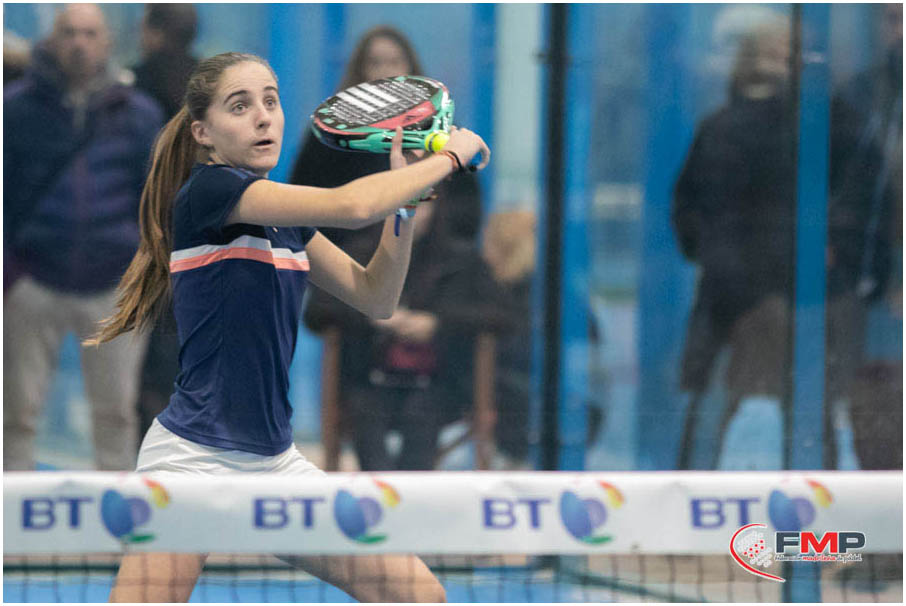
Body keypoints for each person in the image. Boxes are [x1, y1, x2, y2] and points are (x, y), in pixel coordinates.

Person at [89, 51, 488, 602]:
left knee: (421, 597)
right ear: (203, 132)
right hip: (191, 464)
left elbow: (375, 297)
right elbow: (352, 205)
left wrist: (405, 207)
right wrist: (449, 158)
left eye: (271, 102)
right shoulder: (212, 192)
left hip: (276, 467)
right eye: (240, 106)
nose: (263, 117)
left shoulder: (286, 223)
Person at [293, 25, 491, 471]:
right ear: (357, 72)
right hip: (354, 283)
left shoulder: (440, 138)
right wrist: (359, 257)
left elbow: (466, 218)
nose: (383, 73)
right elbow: (308, 210)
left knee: (424, 409)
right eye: (374, 63)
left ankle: (408, 511)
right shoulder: (328, 137)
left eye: (394, 63)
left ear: (413, 73)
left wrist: (434, 318)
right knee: (366, 405)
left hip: (432, 313)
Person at [3, 4, 164, 471]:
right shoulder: (14, 110)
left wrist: (143, 269)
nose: (79, 43)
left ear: (107, 41)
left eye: (90, 33)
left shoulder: (138, 113)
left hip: (114, 283)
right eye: (69, 32)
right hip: (33, 279)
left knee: (116, 414)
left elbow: (153, 198)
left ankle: (117, 515)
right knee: (17, 415)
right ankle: (12, 514)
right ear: (53, 40)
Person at [672, 14, 795, 470]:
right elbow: (687, 201)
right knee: (707, 401)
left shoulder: (810, 125)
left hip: (777, 289)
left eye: (784, 55)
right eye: (767, 53)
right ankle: (693, 489)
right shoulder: (720, 125)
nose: (773, 65)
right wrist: (709, 250)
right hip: (729, 284)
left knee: (782, 399)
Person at [826, 3, 901, 470]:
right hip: (871, 268)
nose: (901, 30)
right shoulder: (861, 94)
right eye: (891, 19)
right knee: (874, 384)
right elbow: (844, 188)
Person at [130, 3, 200, 444]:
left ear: (153, 32)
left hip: (149, 243)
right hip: (203, 242)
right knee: (184, 364)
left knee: (147, 374)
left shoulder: (134, 86)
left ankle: (151, 460)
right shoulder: (210, 87)